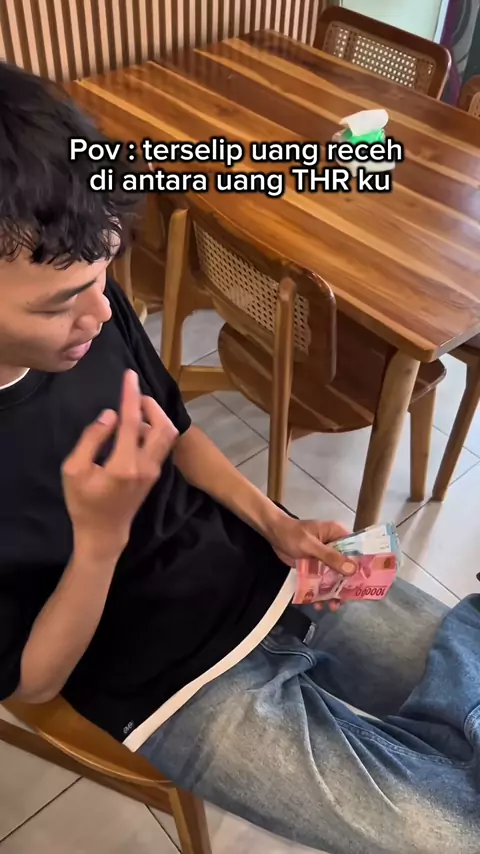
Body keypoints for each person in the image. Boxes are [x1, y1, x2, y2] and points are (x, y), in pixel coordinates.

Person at [0, 61, 478, 854]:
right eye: (59, 304)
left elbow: (176, 430)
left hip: (261, 562)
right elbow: (34, 683)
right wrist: (101, 539)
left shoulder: (90, 298)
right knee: (452, 834)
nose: (101, 312)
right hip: (168, 683)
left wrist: (274, 522)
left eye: (105, 274)